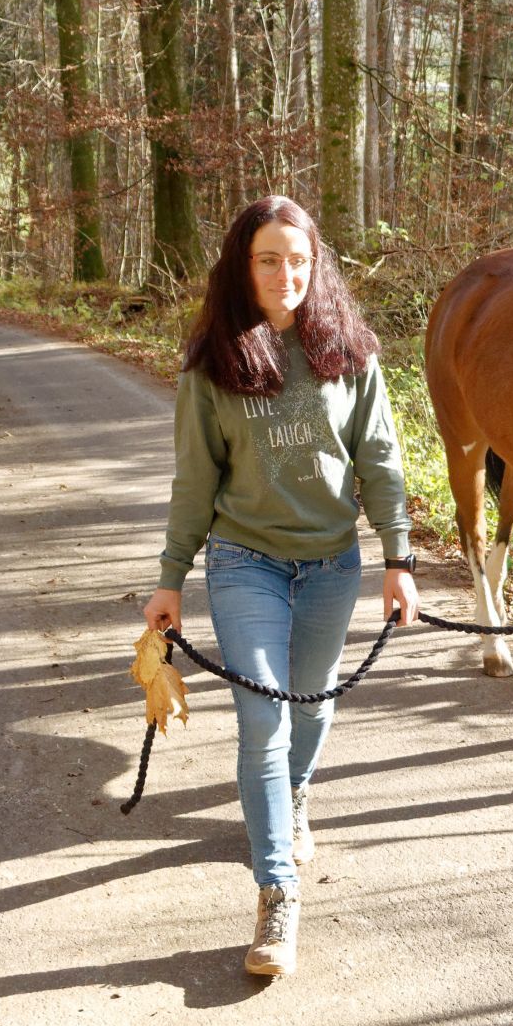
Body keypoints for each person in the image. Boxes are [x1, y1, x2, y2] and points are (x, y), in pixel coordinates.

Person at [142, 196, 418, 978]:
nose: (285, 274)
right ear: (243, 265)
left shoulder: (351, 355)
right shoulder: (213, 364)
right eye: (268, 259)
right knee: (262, 715)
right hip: (244, 562)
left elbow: (381, 462)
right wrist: (170, 579)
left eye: (298, 260)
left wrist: (399, 558)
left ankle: (294, 795)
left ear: (315, 264)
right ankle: (277, 893)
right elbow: (194, 483)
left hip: (331, 564)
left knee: (312, 701)